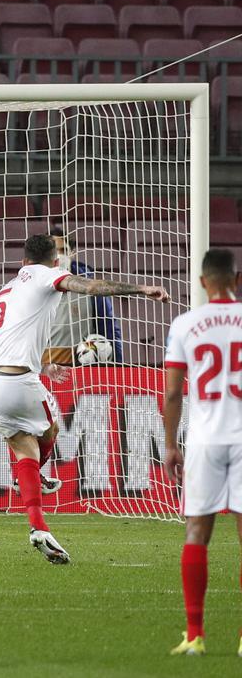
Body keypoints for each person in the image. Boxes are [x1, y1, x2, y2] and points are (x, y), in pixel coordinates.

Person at [0, 233, 168, 565]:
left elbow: (12, 337)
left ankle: (38, 523)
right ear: (54, 261)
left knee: (24, 446)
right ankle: (35, 474)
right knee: (51, 431)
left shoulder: (10, 286)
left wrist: (44, 363)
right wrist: (141, 289)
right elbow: (91, 288)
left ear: (23, 261)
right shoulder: (48, 274)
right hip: (16, 382)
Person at [163, 249, 242, 656]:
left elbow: (174, 392)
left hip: (206, 440)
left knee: (197, 533)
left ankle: (195, 636)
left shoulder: (186, 324)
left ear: (201, 282)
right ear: (237, 278)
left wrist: (171, 444)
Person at [43, 229, 124, 365]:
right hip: (41, 371)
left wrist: (118, 367)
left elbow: (109, 327)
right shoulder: (30, 288)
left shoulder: (90, 286)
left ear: (72, 253)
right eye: (53, 251)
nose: (58, 256)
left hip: (81, 374)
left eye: (63, 250)